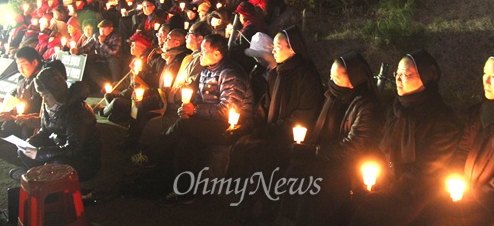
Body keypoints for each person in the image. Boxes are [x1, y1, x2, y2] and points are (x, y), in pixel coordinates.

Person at [351, 49, 460, 225]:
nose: (398, 79)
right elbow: (378, 147)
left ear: (425, 78)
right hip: (387, 182)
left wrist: (387, 193)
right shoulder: (394, 109)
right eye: (397, 73)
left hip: (418, 194)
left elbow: (427, 170)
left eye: (406, 74)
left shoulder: (441, 119)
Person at [228, 25, 324, 222]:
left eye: (278, 47)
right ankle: (238, 201)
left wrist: (269, 131)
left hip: (292, 138)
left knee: (259, 154)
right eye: (274, 46)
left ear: (293, 49)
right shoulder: (276, 74)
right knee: (241, 145)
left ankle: (263, 206)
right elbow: (264, 107)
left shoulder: (307, 76)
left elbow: (304, 116)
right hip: (271, 131)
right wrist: (248, 126)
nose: (273, 50)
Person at [147, 34, 253, 206]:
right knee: (184, 143)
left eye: (204, 51)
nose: (200, 54)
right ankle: (182, 190)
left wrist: (195, 110)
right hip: (208, 122)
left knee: (183, 126)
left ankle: (151, 157)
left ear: (218, 54)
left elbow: (226, 110)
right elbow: (198, 97)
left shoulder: (231, 74)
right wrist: (189, 107)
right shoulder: (207, 70)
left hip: (228, 127)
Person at [279, 52, 384, 225]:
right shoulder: (333, 96)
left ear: (353, 79)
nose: (331, 80)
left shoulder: (367, 107)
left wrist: (316, 151)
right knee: (296, 169)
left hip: (352, 163)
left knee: (317, 185)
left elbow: (356, 146)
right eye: (330, 75)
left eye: (336, 77)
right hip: (328, 155)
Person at [442, 47, 494, 225]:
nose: (485, 81)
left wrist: (478, 197)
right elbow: (462, 149)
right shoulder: (478, 113)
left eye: (493, 76)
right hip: (466, 197)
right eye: (484, 73)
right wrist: (454, 180)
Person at [10, 62, 101, 182]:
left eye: (46, 96)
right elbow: (45, 130)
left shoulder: (77, 111)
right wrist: (30, 144)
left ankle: (45, 179)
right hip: (59, 147)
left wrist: (41, 153)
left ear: (56, 94)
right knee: (24, 151)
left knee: (56, 164)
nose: (44, 100)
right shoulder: (50, 105)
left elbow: (75, 148)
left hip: (83, 159)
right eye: (42, 96)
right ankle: (40, 177)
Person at [0, 47, 44, 149]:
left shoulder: (41, 80)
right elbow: (15, 94)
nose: (20, 68)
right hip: (18, 109)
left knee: (10, 123)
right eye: (18, 65)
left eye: (23, 64)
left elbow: (34, 105)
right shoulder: (23, 79)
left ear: (34, 62)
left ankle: (2, 136)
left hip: (31, 115)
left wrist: (12, 114)